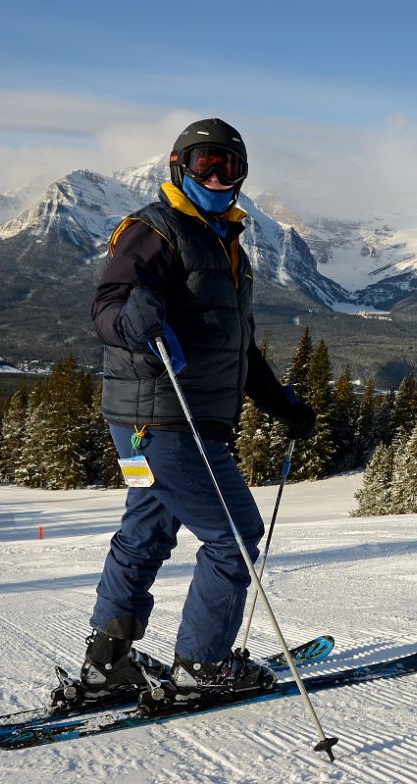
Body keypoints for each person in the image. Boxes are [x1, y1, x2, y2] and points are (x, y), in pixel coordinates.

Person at [80, 118, 315, 700]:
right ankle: (201, 667)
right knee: (234, 536)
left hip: (167, 423)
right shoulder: (154, 230)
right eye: (205, 163)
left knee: (145, 534)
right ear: (177, 166)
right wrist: (130, 322)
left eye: (228, 166)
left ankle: (107, 662)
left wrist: (280, 402)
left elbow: (234, 346)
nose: (216, 175)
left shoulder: (225, 240)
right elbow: (109, 303)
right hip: (163, 418)